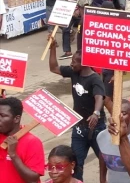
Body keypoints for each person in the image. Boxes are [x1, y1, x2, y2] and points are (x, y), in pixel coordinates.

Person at [48, 40, 105, 181]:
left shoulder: (95, 79)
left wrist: (96, 113)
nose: (71, 64)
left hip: (96, 128)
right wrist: (53, 48)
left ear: (84, 64)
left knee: (106, 161)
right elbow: (54, 68)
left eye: (74, 61)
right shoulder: (74, 73)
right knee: (76, 164)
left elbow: (99, 97)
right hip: (79, 129)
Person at [0, 97, 45, 183]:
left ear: (16, 118)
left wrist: (13, 155)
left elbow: (32, 180)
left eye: (3, 116)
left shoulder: (33, 142)